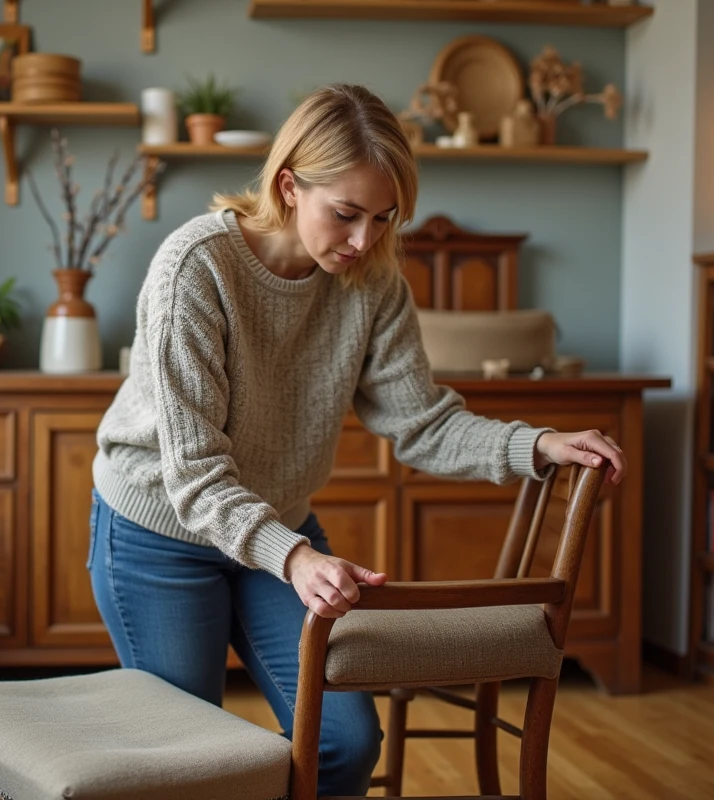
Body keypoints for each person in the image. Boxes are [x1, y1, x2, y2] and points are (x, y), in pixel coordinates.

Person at [87, 82, 626, 797]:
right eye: (345, 214)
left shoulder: (371, 280)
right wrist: (299, 557)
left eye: (384, 218)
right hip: (161, 535)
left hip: (275, 530)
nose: (364, 240)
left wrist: (536, 445)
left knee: (345, 743)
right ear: (287, 186)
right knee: (187, 760)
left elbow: (422, 421)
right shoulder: (196, 268)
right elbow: (193, 474)